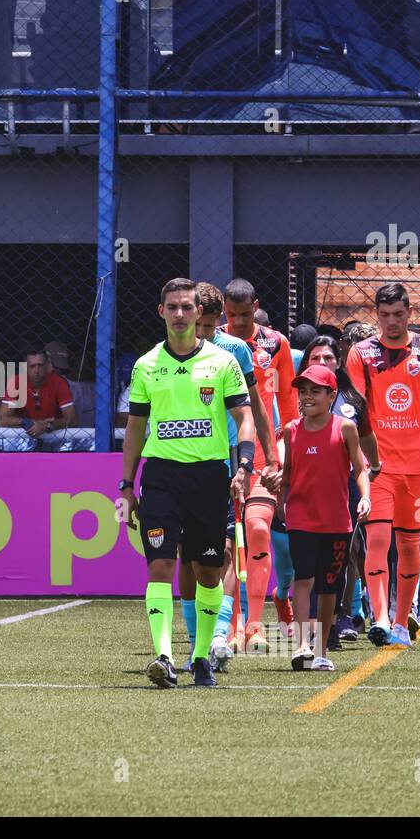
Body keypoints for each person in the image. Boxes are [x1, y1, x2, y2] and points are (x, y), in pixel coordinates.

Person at [121, 278, 256, 689]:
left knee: (208, 570)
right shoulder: (146, 365)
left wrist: (244, 467)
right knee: (160, 564)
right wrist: (126, 485)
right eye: (172, 307)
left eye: (187, 307)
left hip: (209, 478)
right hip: (161, 477)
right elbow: (135, 427)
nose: (180, 314)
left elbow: (244, 417)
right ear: (161, 312)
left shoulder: (222, 362)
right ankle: (163, 655)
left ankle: (200, 658)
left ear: (199, 314)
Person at [344, 283, 420, 648]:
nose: (391, 322)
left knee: (410, 546)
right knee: (377, 538)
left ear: (409, 312)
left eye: (398, 314)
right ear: (376, 314)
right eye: (384, 314)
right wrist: (361, 458)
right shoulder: (361, 353)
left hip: (417, 469)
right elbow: (356, 409)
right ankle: (379, 617)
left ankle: (399, 621)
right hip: (377, 468)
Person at [192, 282, 276, 673]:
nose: (204, 335)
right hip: (180, 461)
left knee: (226, 550)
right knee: (188, 557)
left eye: (210, 327)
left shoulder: (235, 351)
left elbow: (255, 408)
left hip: (226, 460)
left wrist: (269, 456)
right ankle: (198, 640)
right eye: (200, 326)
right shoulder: (164, 355)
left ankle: (220, 636)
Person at [271, 364, 371, 671]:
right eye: (303, 391)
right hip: (300, 517)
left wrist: (365, 497)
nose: (307, 396)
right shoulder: (291, 431)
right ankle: (302, 645)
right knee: (304, 579)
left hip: (336, 522)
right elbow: (287, 475)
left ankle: (320, 649)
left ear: (332, 396)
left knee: (329, 586)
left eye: (315, 391)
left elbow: (360, 469)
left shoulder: (345, 428)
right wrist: (277, 484)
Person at [221, 278, 297, 653]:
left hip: (265, 454)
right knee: (228, 543)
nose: (236, 321)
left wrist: (290, 452)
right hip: (223, 452)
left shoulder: (276, 343)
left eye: (244, 314)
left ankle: (254, 624)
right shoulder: (214, 341)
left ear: (256, 306)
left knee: (258, 529)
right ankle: (231, 624)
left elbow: (288, 400)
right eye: (231, 314)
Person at [296, 334, 378, 650]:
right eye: (315, 358)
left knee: (344, 556)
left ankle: (339, 619)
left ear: (339, 363)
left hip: (343, 487)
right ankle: (308, 627)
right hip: (306, 490)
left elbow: (366, 437)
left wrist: (374, 466)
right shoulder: (298, 398)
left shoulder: (352, 400)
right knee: (303, 564)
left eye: (328, 358)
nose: (322, 363)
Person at [0, 348, 78, 449]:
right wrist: (27, 423)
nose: (36, 370)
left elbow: (73, 419)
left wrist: (47, 425)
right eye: (32, 366)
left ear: (47, 365)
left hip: (54, 435)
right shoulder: (16, 382)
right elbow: (3, 420)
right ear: (25, 367)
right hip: (26, 434)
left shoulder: (58, 382)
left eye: (40, 365)